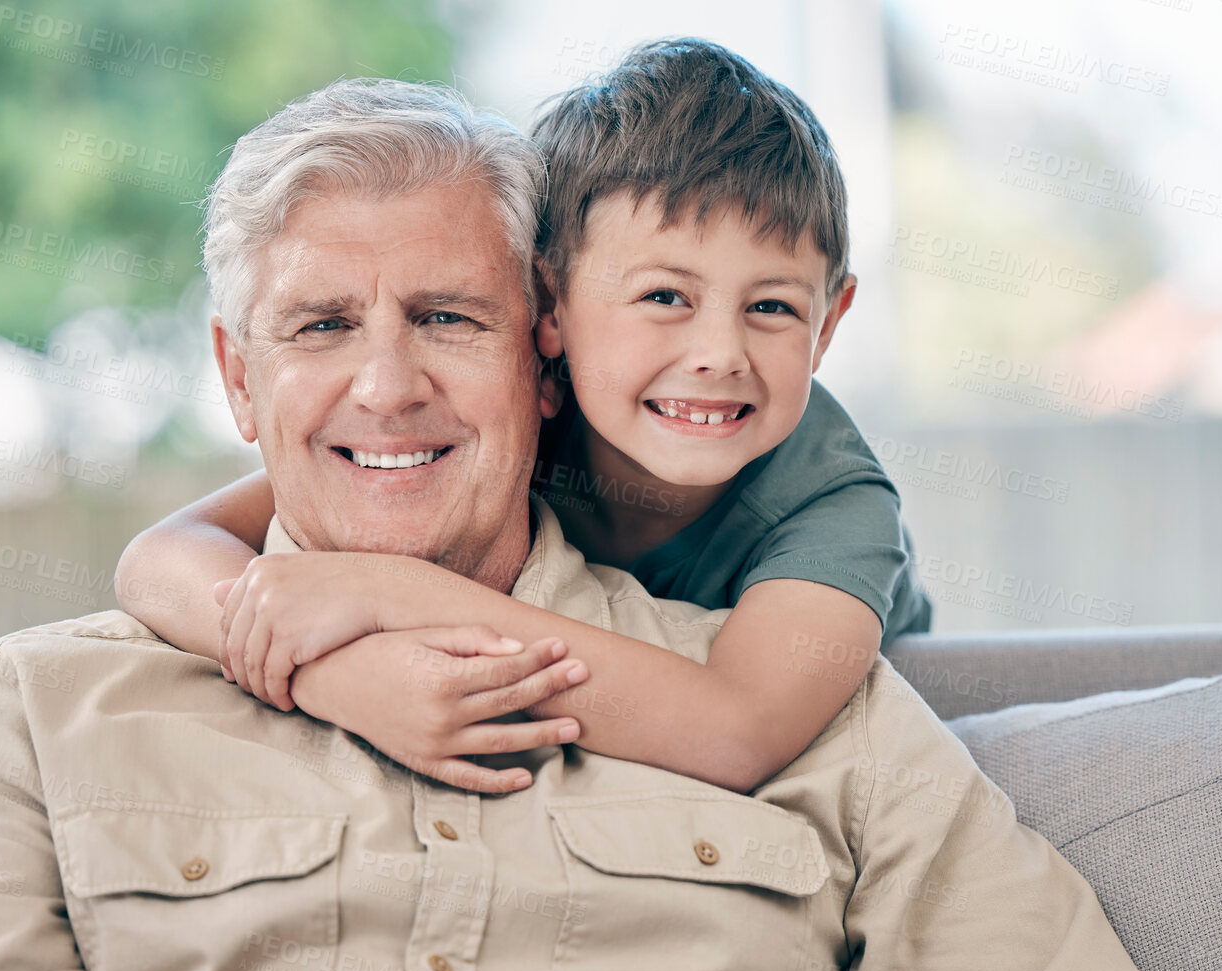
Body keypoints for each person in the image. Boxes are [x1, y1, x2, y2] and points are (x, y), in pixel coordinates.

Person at [0, 76, 1189, 971]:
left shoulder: (806, 676)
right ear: (239, 378)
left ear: (542, 357)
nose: (388, 384)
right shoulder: (39, 707)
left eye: (447, 318)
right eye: (320, 326)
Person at [115, 40, 931, 795]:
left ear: (829, 322)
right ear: (550, 309)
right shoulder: (514, 411)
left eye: (772, 307)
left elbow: (737, 729)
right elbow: (160, 559)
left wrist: (395, 592)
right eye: (663, 297)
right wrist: (342, 678)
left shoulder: (836, 504)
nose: (719, 353)